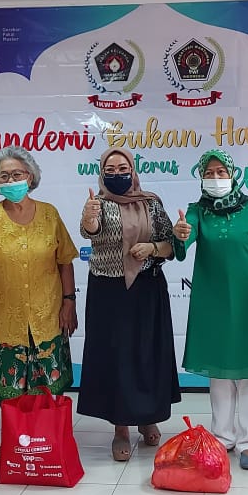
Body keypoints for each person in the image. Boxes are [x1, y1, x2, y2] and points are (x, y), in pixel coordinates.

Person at [0, 146, 78, 463]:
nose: (11, 181)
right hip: (4, 320)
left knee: (45, 384)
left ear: (30, 177)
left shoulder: (50, 214)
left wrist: (69, 302)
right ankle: (14, 438)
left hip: (46, 315)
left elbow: (65, 260)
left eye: (17, 174)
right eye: (4, 176)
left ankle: (45, 438)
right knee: (10, 388)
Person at [173, 149, 248, 471]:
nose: (216, 178)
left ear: (233, 175)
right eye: (209, 173)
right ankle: (223, 437)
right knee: (219, 373)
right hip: (213, 304)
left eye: (221, 172)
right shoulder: (198, 211)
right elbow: (185, 240)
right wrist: (180, 234)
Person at [78, 147, 180, 462]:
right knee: (116, 359)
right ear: (102, 174)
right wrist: (89, 218)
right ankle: (120, 428)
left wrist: (152, 248)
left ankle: (148, 418)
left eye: (123, 169)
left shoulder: (151, 203)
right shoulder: (97, 204)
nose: (117, 174)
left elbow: (170, 245)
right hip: (109, 292)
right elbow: (90, 232)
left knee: (147, 355)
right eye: (110, 170)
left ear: (133, 171)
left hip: (147, 289)